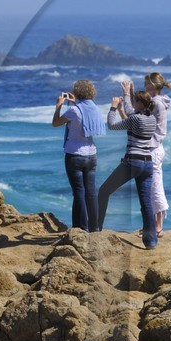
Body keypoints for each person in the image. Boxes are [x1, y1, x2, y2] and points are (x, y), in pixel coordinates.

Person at [100, 88, 160, 248]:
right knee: (146, 203)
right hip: (148, 164)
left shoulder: (135, 118)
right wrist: (122, 109)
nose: (132, 105)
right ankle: (151, 242)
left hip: (133, 162)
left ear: (140, 103)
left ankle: (96, 229)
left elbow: (112, 125)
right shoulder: (152, 119)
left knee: (104, 191)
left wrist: (113, 107)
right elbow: (131, 123)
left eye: (135, 102)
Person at [52, 78, 106, 231]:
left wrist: (58, 106)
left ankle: (79, 229)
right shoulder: (93, 108)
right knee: (91, 193)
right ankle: (95, 228)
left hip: (75, 155)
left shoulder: (73, 111)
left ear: (76, 93)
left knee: (79, 194)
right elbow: (84, 114)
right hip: (91, 155)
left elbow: (55, 122)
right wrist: (76, 102)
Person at [142, 71, 171, 237]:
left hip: (153, 149)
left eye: (147, 85)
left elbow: (135, 117)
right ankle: (154, 224)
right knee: (152, 187)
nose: (145, 88)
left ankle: (157, 226)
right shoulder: (158, 101)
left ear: (154, 86)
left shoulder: (155, 103)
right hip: (154, 148)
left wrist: (126, 98)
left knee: (154, 187)